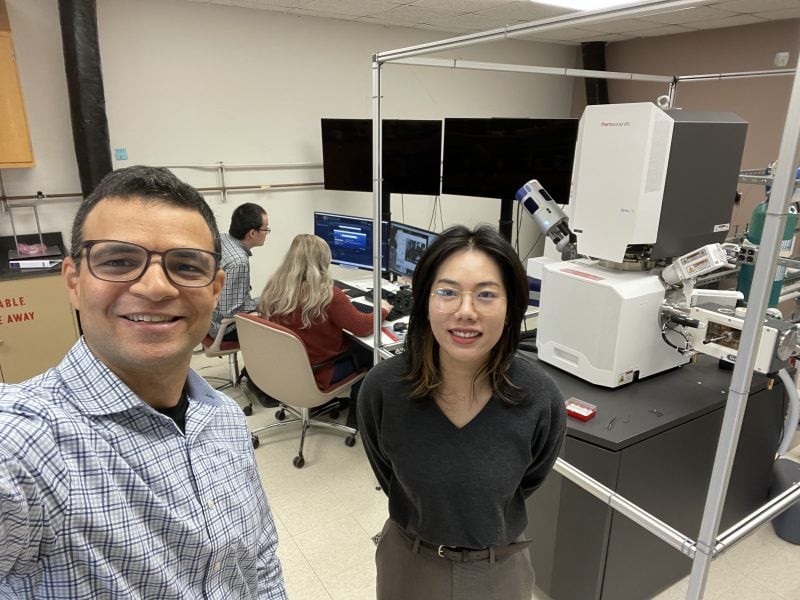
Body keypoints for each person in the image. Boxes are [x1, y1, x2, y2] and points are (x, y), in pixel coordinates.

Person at [0, 166, 287, 598]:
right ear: (74, 282)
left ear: (215, 290)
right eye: (118, 261)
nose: (155, 287)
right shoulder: (27, 443)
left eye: (187, 266)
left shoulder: (224, 418)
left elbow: (260, 562)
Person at [357, 224, 566, 600]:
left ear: (510, 307)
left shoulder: (539, 398)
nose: (465, 311)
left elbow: (528, 481)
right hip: (409, 560)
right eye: (448, 292)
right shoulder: (383, 389)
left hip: (496, 566)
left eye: (486, 294)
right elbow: (391, 477)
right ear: (424, 300)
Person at [257, 233, 392, 428]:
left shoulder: (276, 287)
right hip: (321, 371)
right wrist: (383, 309)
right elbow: (362, 327)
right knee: (373, 353)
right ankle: (358, 414)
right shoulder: (327, 294)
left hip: (287, 367)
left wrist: (340, 301)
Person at [209, 201, 275, 404]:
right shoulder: (239, 261)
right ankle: (260, 384)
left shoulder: (223, 239)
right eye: (266, 229)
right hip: (220, 327)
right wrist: (268, 300)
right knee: (279, 329)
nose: (267, 233)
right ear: (252, 233)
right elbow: (232, 311)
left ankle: (255, 373)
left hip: (207, 316)